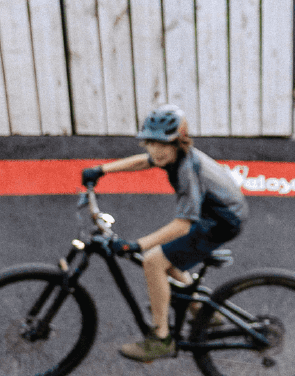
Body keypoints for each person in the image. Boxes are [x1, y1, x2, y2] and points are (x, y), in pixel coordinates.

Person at [81, 104, 249, 362]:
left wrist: (135, 245)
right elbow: (142, 161)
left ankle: (161, 339)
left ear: (179, 142)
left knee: (153, 260)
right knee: (167, 258)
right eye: (151, 143)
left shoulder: (187, 170)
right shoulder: (171, 155)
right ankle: (202, 310)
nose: (156, 151)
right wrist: (102, 170)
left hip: (221, 222)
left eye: (163, 145)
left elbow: (183, 225)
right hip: (213, 215)